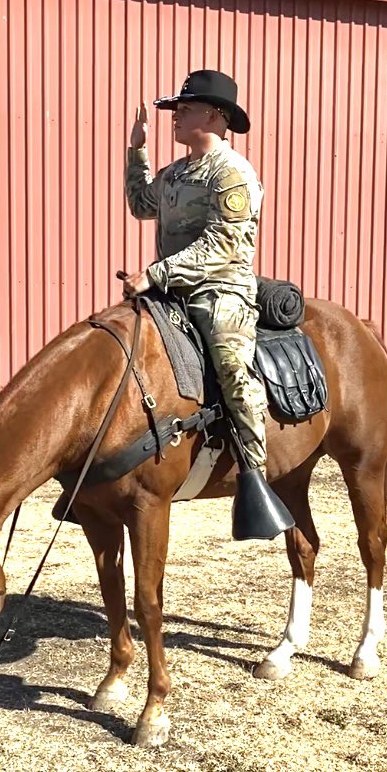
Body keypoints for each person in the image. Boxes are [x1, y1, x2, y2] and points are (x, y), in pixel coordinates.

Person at [123, 69, 269, 482]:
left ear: (215, 116)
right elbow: (140, 204)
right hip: (171, 289)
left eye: (185, 109)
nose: (176, 116)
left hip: (221, 291)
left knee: (231, 366)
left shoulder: (231, 173)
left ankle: (254, 474)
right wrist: (138, 153)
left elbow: (222, 244)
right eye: (176, 109)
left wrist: (155, 273)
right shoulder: (176, 172)